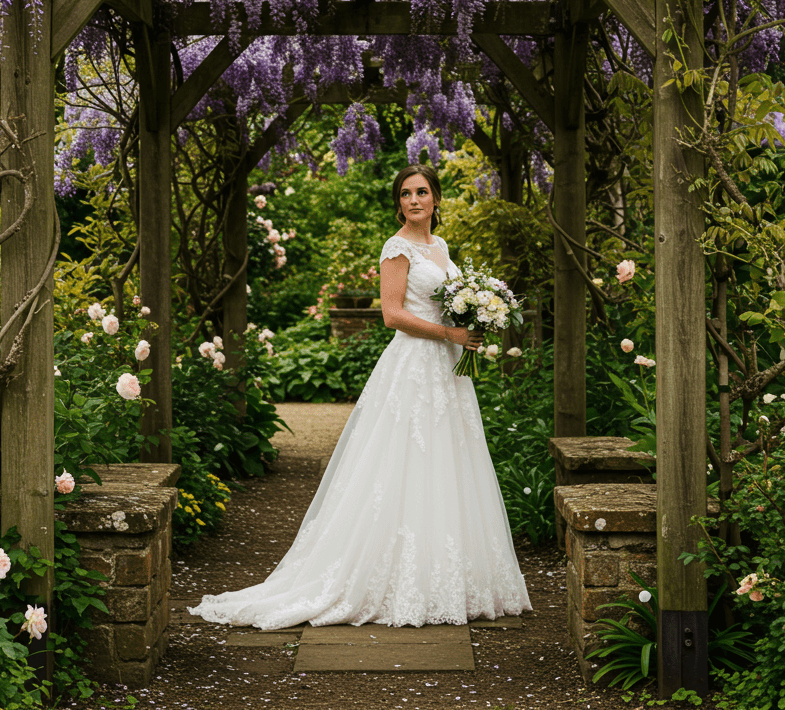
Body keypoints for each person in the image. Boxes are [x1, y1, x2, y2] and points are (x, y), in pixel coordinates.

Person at [188, 162, 531, 629]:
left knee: (447, 464)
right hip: (412, 365)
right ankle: (380, 578)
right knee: (402, 463)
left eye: (423, 192)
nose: (414, 200)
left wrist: (467, 328)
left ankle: (448, 581)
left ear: (436, 199)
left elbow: (446, 299)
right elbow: (392, 314)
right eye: (406, 193)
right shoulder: (396, 248)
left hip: (446, 373)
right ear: (399, 204)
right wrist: (449, 330)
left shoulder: (441, 246)